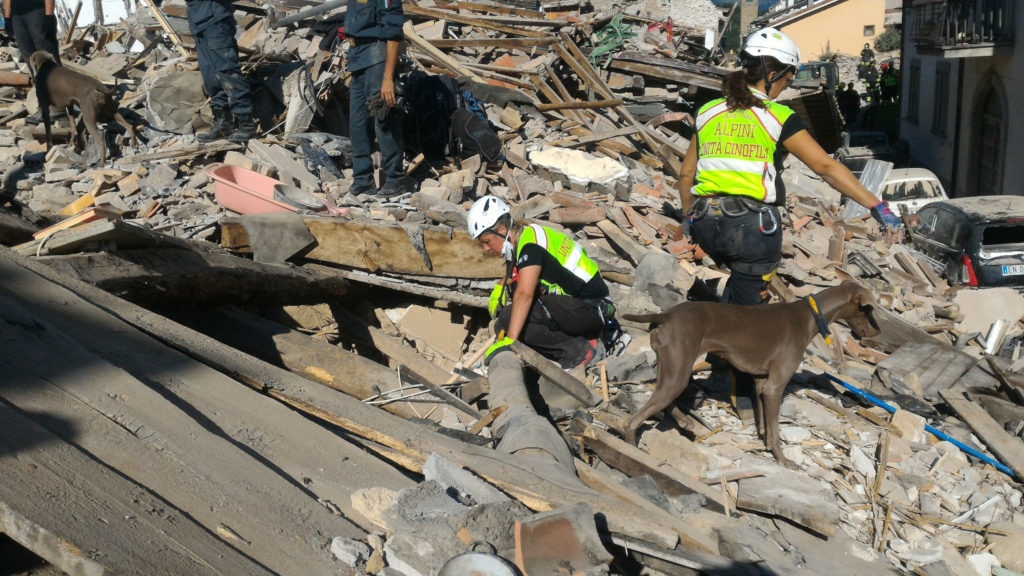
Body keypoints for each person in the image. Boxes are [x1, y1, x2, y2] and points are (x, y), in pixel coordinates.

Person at [677, 27, 900, 307]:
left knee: (735, 294)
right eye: (787, 78)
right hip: (750, 231)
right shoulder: (779, 117)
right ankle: (733, 341)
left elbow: (686, 174)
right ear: (772, 75)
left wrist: (688, 220)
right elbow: (826, 168)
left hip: (706, 222)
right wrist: (878, 207)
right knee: (748, 315)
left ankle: (719, 324)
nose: (787, 85)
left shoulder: (708, 111)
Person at [467, 196, 623, 371]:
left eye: (486, 241)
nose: (486, 249)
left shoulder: (530, 248)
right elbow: (519, 274)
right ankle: (579, 343)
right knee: (504, 322)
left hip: (594, 308)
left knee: (513, 318)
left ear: (502, 229)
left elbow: (525, 294)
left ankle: (581, 352)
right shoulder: (527, 235)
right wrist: (500, 286)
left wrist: (510, 341)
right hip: (581, 306)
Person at [344, 0, 407, 198]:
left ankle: (395, 180)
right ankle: (363, 180)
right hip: (357, 59)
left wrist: (388, 78)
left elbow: (393, 32)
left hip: (377, 58)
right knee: (357, 123)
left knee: (383, 118)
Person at [186, 0, 255, 143]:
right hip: (199, 22)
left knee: (228, 72)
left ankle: (246, 125)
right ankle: (223, 123)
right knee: (210, 76)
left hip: (215, 20)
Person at [3, 0, 59, 74]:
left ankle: (57, 80)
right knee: (28, 54)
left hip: (37, 10)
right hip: (16, 16)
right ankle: (39, 83)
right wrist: (7, 19)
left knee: (45, 50)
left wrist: (49, 15)